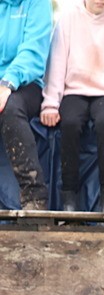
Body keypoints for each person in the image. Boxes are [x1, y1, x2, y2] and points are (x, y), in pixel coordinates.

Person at [39, 0, 104, 213]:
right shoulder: (68, 19)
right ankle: (69, 198)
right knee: (69, 123)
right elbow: (57, 63)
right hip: (73, 91)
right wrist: (50, 104)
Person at [0, 0, 51, 210]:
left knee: (9, 107)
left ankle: (34, 197)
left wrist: (7, 82)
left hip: (25, 83)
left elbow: (33, 50)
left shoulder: (38, 4)